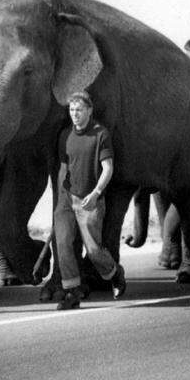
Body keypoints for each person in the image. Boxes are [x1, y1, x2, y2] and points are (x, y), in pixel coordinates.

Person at [54, 90, 127, 310]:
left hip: (90, 200)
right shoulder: (65, 136)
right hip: (67, 199)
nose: (74, 114)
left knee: (94, 251)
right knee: (63, 244)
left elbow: (108, 168)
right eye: (71, 110)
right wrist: (60, 199)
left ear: (89, 110)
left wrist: (95, 193)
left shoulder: (100, 134)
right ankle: (72, 292)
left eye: (79, 110)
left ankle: (114, 273)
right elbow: (64, 168)